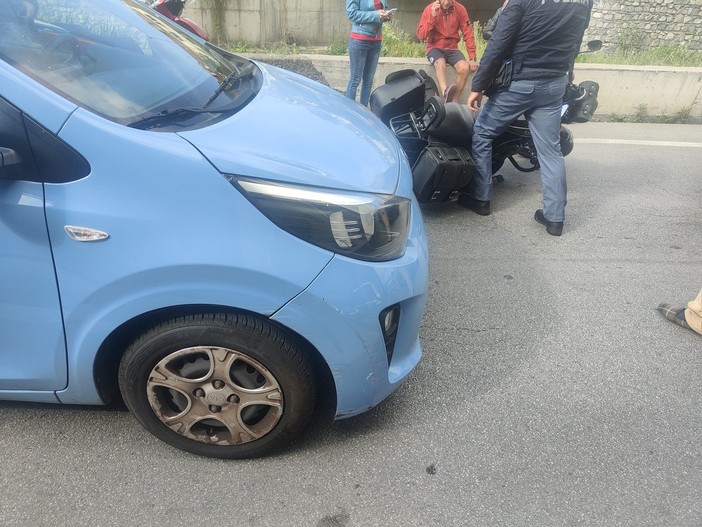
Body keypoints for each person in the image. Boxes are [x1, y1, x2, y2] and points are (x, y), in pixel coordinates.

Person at [460, 0, 593, 236]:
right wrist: (568, 70)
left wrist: (478, 86)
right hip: (553, 85)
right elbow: (576, 40)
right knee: (551, 151)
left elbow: (498, 44)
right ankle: (554, 218)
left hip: (519, 85)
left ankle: (480, 198)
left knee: (482, 133)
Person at [416, 0, 478, 103]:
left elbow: (468, 33)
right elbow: (420, 35)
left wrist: (472, 57)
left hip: (453, 48)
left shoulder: (460, 9)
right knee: (440, 63)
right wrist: (432, 17)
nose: (445, 3)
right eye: (443, 0)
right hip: (435, 47)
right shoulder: (429, 9)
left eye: (448, 0)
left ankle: (454, 101)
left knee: (464, 67)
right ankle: (445, 91)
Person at [345, 0, 394, 107]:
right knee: (355, 80)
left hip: (376, 41)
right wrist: (376, 15)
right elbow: (351, 14)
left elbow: (381, 12)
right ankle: (349, 113)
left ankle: (364, 113)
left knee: (368, 81)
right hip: (359, 40)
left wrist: (386, 16)